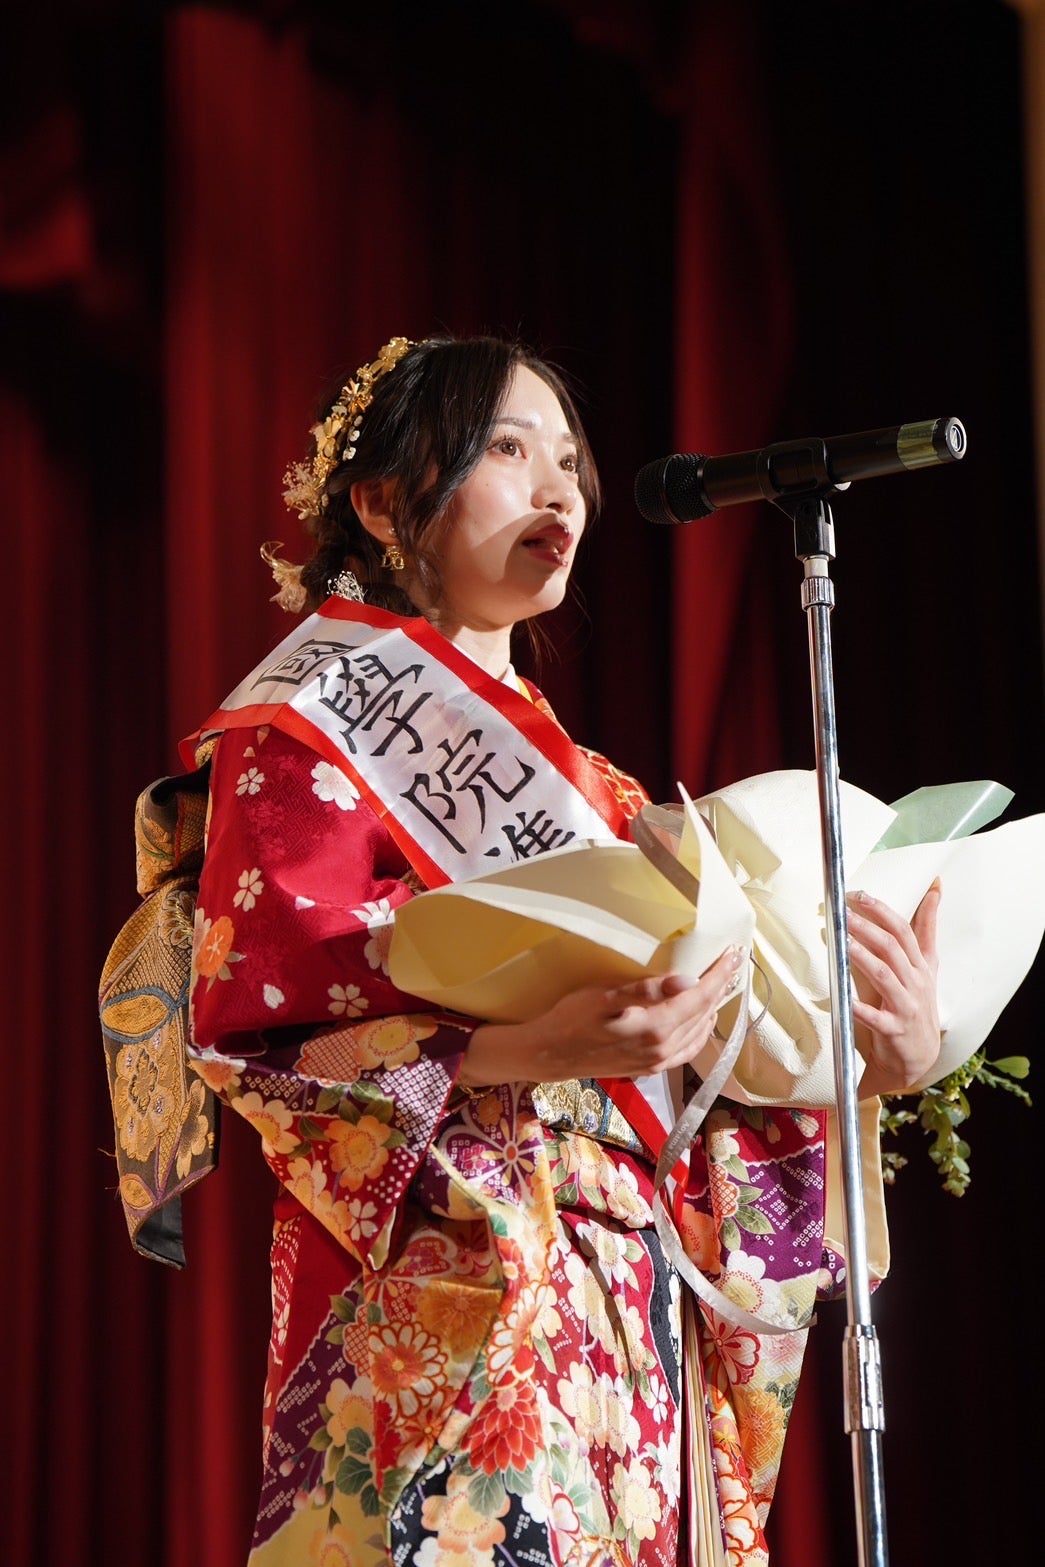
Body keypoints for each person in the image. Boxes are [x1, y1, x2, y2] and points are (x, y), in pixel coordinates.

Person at [184, 334, 942, 1567]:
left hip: (624, 1306)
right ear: (382, 501)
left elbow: (729, 1095)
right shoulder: (307, 737)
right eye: (505, 448)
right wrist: (527, 1047)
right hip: (449, 1292)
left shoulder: (612, 799)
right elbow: (258, 1038)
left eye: (571, 462)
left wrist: (870, 1067)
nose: (560, 491)